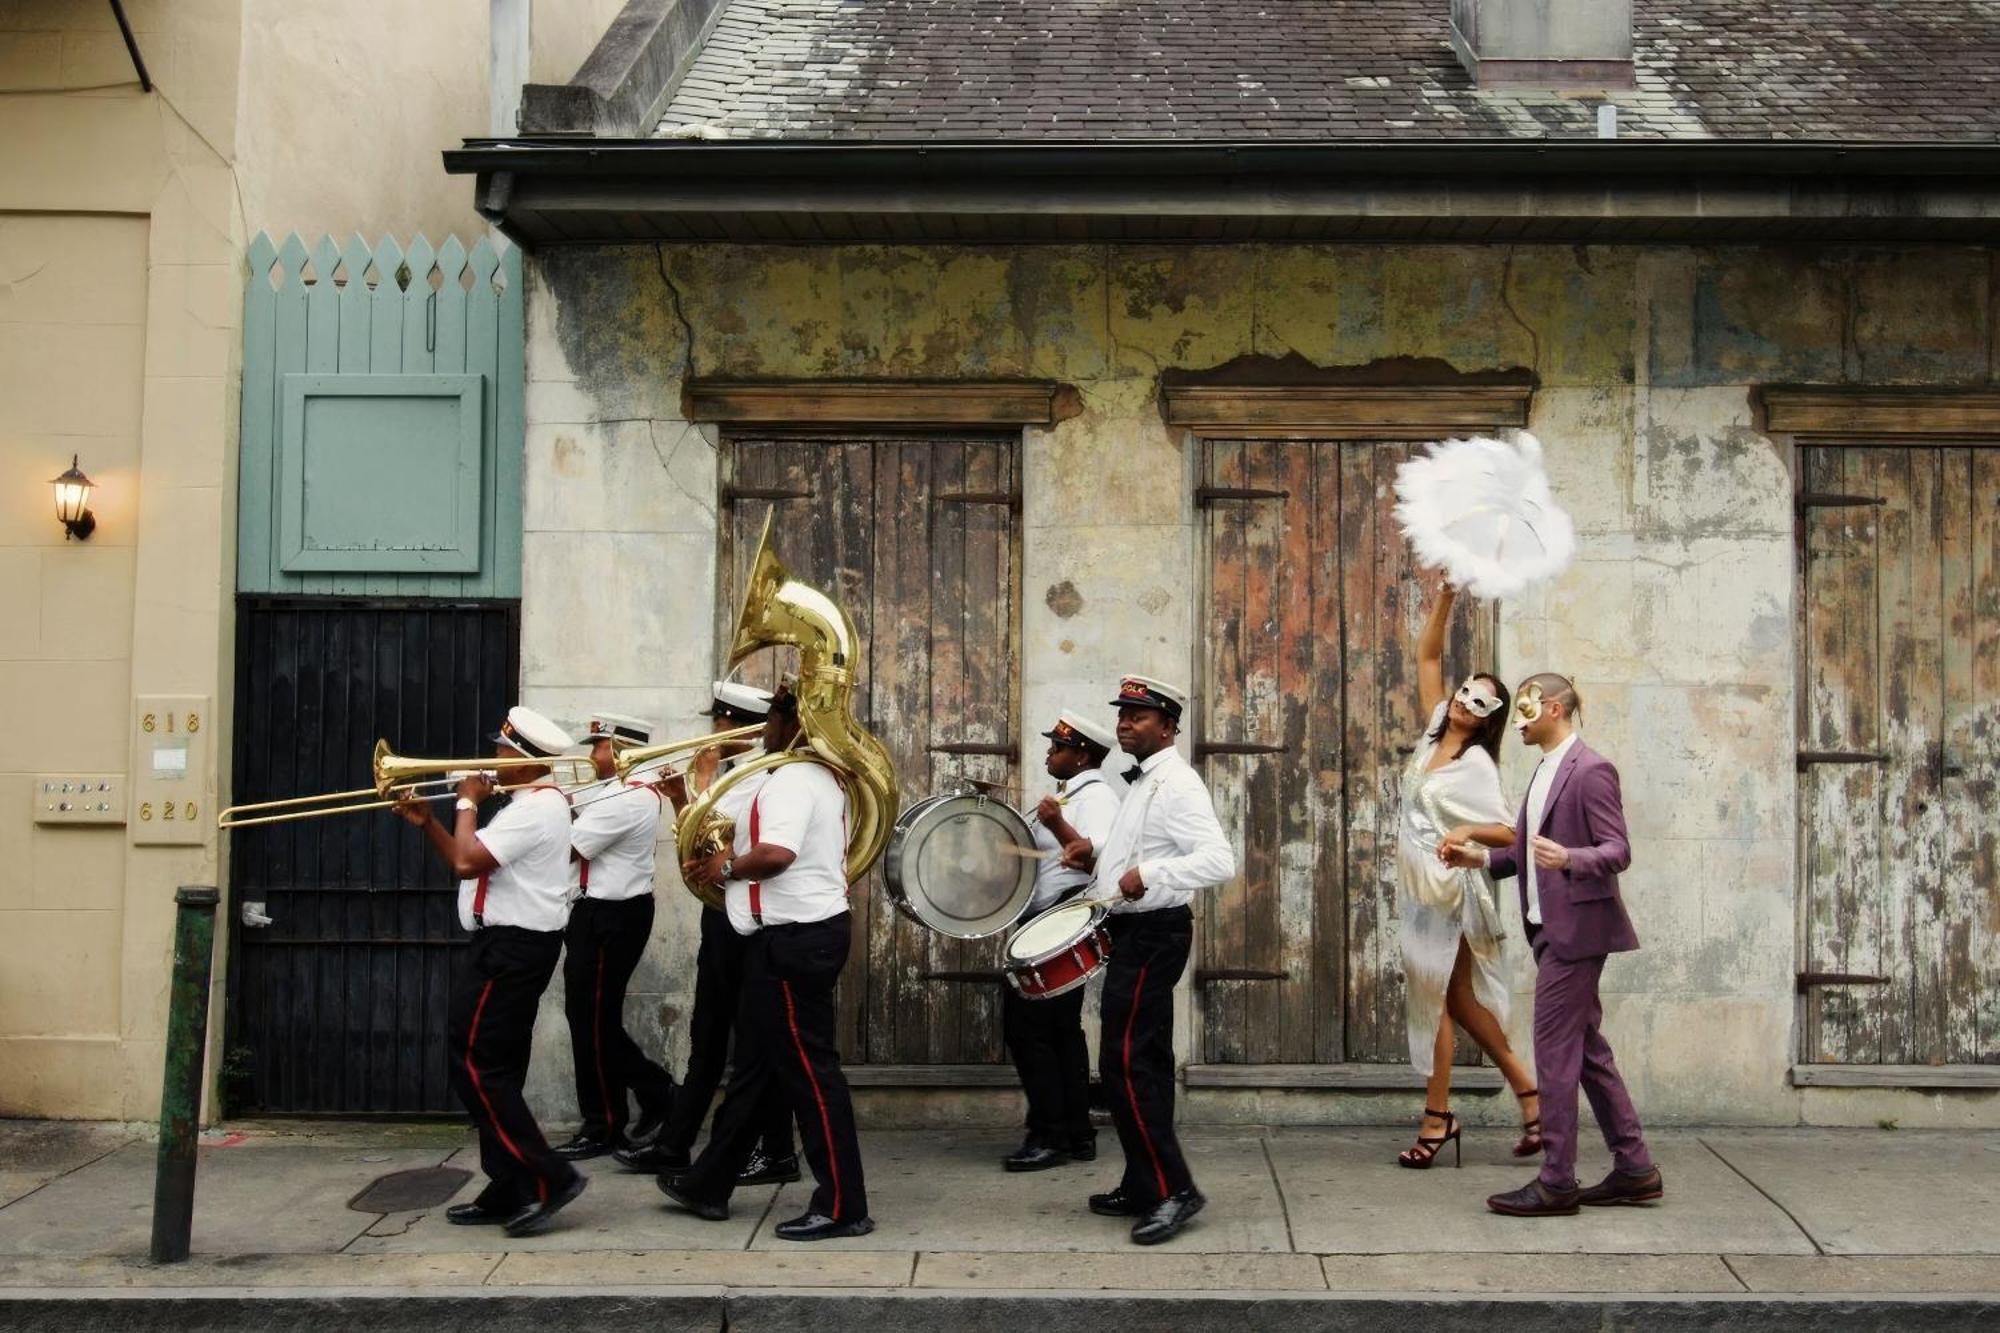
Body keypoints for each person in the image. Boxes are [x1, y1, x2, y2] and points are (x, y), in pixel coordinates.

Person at [657, 685, 873, 1241]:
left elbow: (776, 855)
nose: (763, 729)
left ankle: (843, 1204)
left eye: (772, 719)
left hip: (794, 942)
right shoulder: (809, 777)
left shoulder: (794, 782)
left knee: (812, 1077)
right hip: (783, 940)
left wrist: (727, 868)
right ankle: (709, 1182)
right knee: (755, 1070)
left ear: (790, 724)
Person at [1443, 674, 1663, 1216]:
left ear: (1557, 709)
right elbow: (1527, 853)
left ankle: (1557, 1180)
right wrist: (1482, 860)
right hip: (1548, 930)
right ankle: (1635, 1169)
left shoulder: (1590, 771)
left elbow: (1617, 851)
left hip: (1577, 936)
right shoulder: (1544, 769)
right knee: (1588, 1052)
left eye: (1526, 708)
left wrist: (1571, 858)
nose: (1517, 719)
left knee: (1556, 1056)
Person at [394, 705, 587, 1237]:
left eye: (501, 753)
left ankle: (549, 1177)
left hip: (511, 949)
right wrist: (431, 820)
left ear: (525, 762)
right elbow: (467, 857)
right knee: (492, 1066)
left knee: (477, 1066)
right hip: (507, 946)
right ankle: (509, 1184)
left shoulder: (535, 808)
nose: (491, 760)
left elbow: (465, 862)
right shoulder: (528, 803)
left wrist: (464, 801)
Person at [1064, 675, 1234, 1245]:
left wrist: (1153, 875)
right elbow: (1135, 853)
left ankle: (1174, 1190)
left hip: (1156, 934)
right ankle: (1143, 1181)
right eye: (1122, 714)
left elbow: (1217, 860)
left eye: (1139, 715)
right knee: (1137, 1063)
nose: (1124, 723)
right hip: (1133, 934)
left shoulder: (1178, 784)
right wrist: (1096, 857)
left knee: (1129, 1063)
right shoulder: (1142, 783)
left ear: (1169, 726)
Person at [617, 682, 798, 1184]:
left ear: (739, 726)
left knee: (755, 1043)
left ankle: (776, 1149)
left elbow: (725, 840)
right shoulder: (732, 776)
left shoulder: (761, 776)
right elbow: (698, 843)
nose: (710, 734)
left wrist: (696, 784)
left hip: (746, 918)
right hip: (721, 913)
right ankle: (675, 1143)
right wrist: (682, 796)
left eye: (717, 724)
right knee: (709, 1036)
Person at [1394, 582, 1541, 1169]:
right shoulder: (1435, 727)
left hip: (1447, 890)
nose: (1465, 702)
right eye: (1465, 692)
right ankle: (1533, 1100)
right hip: (1417, 891)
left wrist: (1468, 834)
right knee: (1455, 998)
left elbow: (1513, 831)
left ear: (1489, 721)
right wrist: (1447, 599)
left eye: (1481, 704)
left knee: (1434, 1000)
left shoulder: (1475, 764)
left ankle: (1437, 1118)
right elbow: (1427, 656)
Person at [550, 712, 680, 1161]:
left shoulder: (628, 798)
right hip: (597, 913)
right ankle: (655, 1091)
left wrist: (546, 803)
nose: (591, 756)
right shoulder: (612, 791)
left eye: (599, 746)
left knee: (592, 1021)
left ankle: (605, 1122)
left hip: (612, 916)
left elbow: (565, 846)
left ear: (622, 747)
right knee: (589, 1019)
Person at [1001, 711, 1122, 1172]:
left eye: (1058, 748)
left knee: (1031, 1031)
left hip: (1059, 925)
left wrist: (1056, 826)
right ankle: (1075, 1133)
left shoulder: (1096, 797)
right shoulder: (1070, 794)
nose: (1049, 755)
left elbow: (1102, 861)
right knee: (1058, 1032)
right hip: (1045, 923)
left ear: (1082, 755)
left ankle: (1050, 1134)